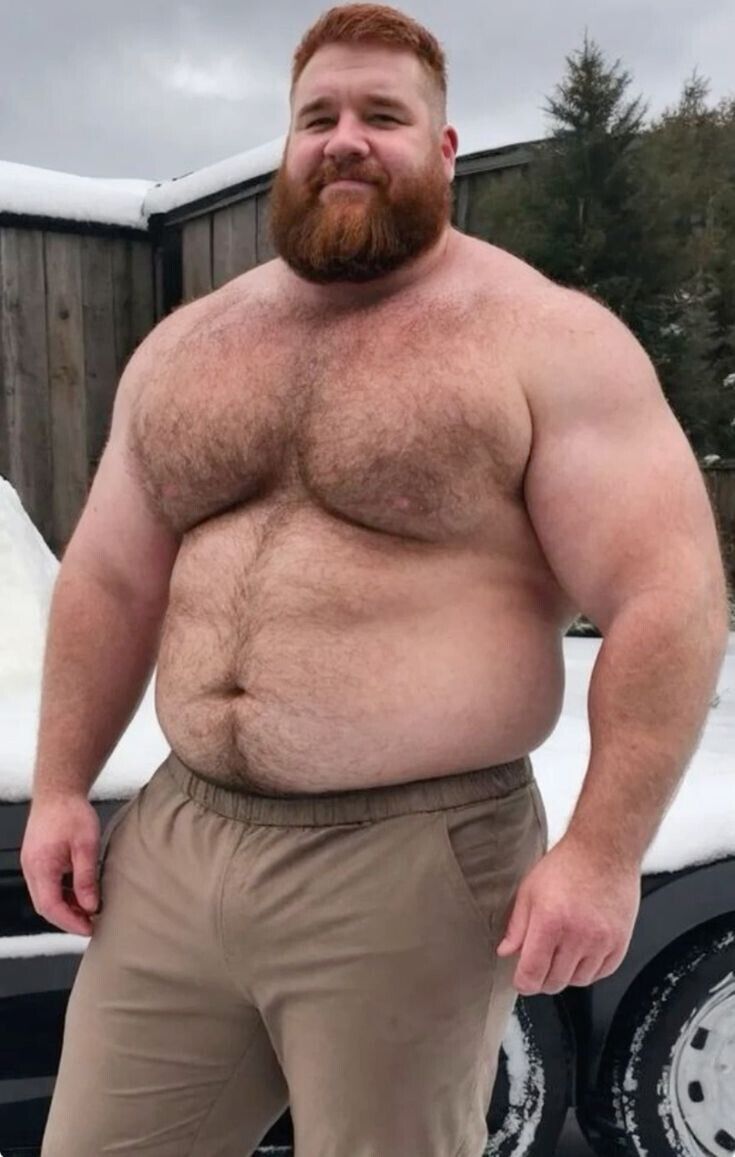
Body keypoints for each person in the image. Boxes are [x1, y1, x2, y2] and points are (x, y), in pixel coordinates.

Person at [23, 5, 729, 1156]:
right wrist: (62, 784)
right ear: (289, 144)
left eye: (383, 116)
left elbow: (669, 595)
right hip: (179, 837)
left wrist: (602, 853)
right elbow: (107, 579)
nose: (345, 138)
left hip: (410, 858)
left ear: (442, 149)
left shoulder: (544, 340)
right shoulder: (188, 347)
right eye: (319, 117)